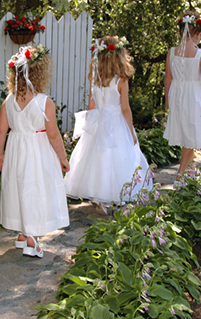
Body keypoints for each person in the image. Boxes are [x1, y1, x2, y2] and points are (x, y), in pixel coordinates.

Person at [0, 45, 70, 258]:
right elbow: (53, 135)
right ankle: (32, 239)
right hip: (38, 153)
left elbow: (1, 130)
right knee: (35, 191)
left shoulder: (8, 101)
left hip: (16, 151)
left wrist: (0, 154)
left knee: (18, 188)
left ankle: (21, 233)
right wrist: (63, 158)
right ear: (41, 73)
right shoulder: (45, 102)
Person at [64, 36, 152, 210]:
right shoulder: (121, 80)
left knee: (97, 158)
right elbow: (125, 108)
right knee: (116, 159)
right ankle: (109, 197)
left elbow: (91, 104)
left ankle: (98, 197)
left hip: (99, 120)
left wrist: (90, 124)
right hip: (117, 122)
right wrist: (131, 132)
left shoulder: (95, 78)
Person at [163, 11, 201, 179]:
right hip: (194, 97)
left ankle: (190, 173)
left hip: (178, 96)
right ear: (198, 33)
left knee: (188, 136)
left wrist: (168, 99)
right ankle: (180, 177)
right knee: (190, 139)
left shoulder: (171, 52)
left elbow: (168, 79)